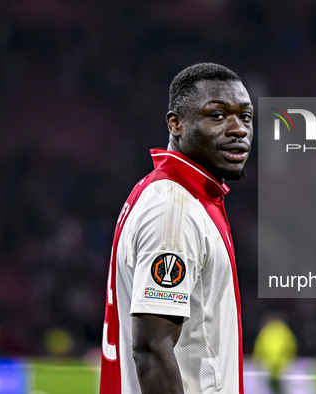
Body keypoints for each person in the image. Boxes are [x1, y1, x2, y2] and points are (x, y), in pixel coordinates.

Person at [100, 63, 254, 394]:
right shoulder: (174, 208)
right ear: (176, 124)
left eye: (246, 117)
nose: (238, 129)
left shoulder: (175, 195)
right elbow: (152, 349)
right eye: (217, 116)